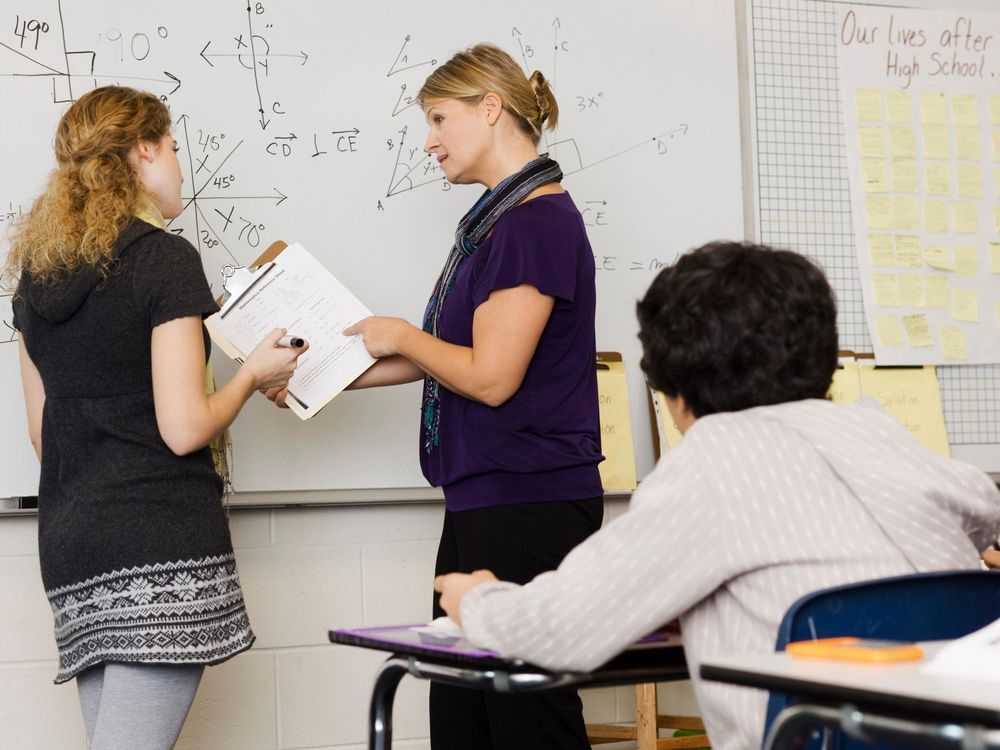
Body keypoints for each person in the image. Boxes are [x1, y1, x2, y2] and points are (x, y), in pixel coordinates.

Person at [434, 241, 1000, 750]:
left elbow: (557, 631)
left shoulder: (715, 461)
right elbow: (977, 510)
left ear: (673, 388)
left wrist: (478, 599)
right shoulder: (881, 436)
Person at [273, 42, 604, 749]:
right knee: (462, 713)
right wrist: (313, 379)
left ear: (491, 109)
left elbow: (489, 377)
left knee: (523, 719)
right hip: (487, 495)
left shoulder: (534, 225)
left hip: (531, 499)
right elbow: (444, 361)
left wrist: (397, 333)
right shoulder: (495, 225)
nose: (429, 142)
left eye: (438, 119)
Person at [4, 86, 306, 750]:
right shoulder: (164, 260)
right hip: (156, 542)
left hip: (73, 546)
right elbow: (184, 428)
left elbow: (40, 431)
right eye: (171, 148)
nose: (178, 164)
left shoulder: (36, 278)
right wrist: (253, 373)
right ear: (142, 150)